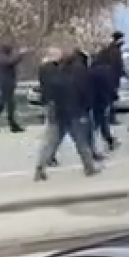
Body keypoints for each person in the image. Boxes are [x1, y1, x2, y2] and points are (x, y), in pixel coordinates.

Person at [34, 49, 99, 181]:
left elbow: (49, 92)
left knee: (51, 142)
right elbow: (83, 94)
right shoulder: (78, 74)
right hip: (75, 112)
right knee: (81, 141)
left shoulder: (57, 75)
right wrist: (85, 109)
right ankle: (89, 167)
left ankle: (40, 168)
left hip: (59, 112)